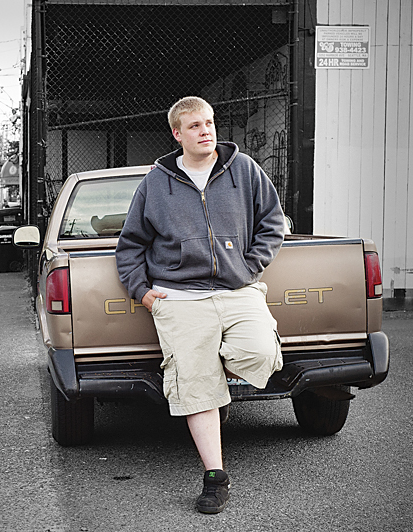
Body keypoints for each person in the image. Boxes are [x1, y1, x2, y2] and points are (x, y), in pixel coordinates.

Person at [115, 96, 285, 514]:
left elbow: (273, 222)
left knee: (261, 353)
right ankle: (216, 477)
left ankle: (209, 381)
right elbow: (131, 244)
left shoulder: (244, 170)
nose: (205, 130)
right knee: (195, 387)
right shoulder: (156, 184)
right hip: (180, 297)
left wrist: (249, 265)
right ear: (177, 133)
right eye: (194, 126)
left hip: (237, 290)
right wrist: (142, 291)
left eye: (209, 123)